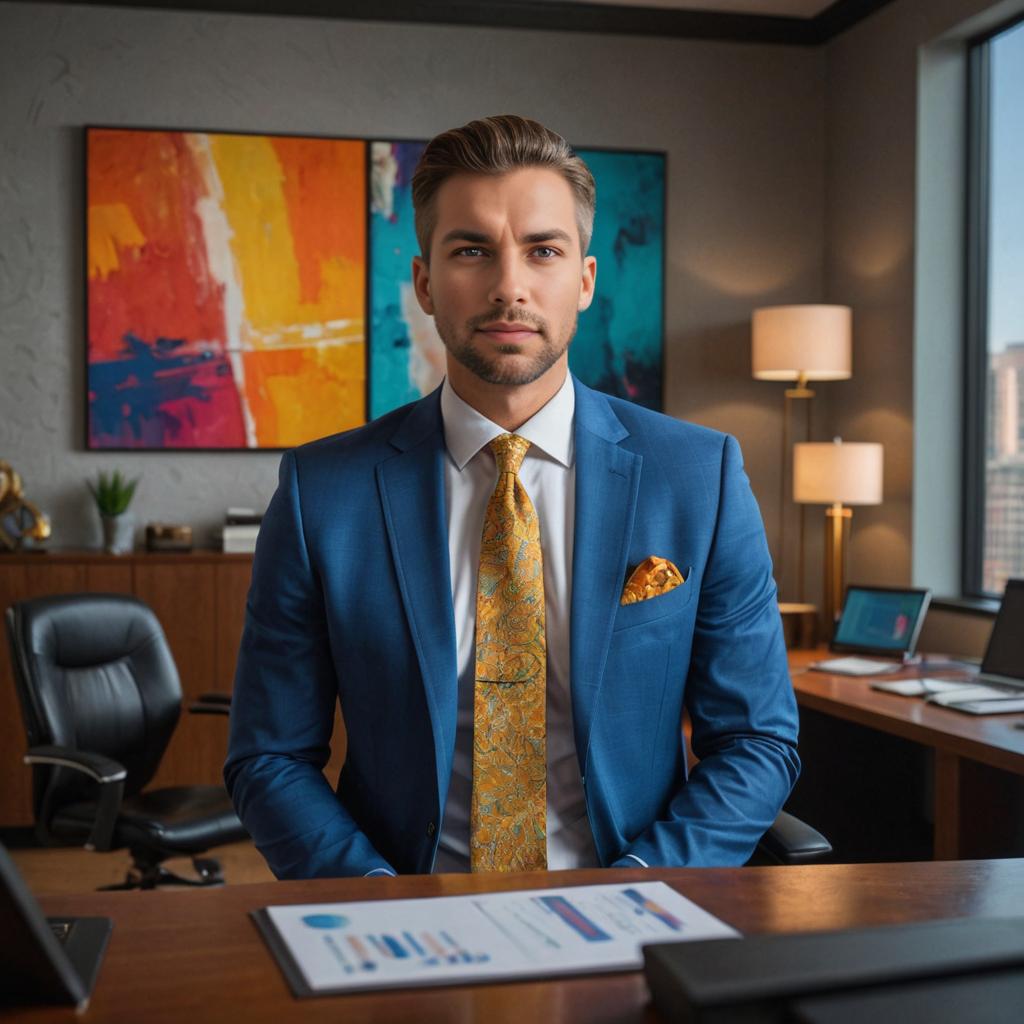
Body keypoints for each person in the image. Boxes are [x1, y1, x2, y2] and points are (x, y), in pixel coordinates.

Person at [225, 114, 800, 878]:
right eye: (471, 251)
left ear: (585, 280)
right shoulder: (321, 493)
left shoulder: (701, 477)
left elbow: (757, 740)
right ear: (426, 283)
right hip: (407, 915)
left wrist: (641, 890)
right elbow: (270, 754)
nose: (509, 287)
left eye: (543, 251)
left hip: (635, 899)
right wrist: (373, 897)